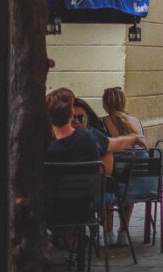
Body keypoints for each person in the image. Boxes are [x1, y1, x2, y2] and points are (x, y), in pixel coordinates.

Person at [46, 88, 145, 252]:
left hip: (53, 210)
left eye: (80, 118)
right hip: (85, 206)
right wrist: (133, 137)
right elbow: (113, 151)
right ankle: (78, 239)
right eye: (73, 117)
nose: (77, 121)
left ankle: (70, 239)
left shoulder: (45, 143)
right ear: (69, 113)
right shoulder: (90, 136)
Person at [101, 87, 151, 247]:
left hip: (116, 182)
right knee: (128, 180)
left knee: (105, 185)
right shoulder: (136, 122)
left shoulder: (103, 122)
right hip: (141, 184)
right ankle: (124, 231)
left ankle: (108, 232)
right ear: (123, 102)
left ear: (105, 104)